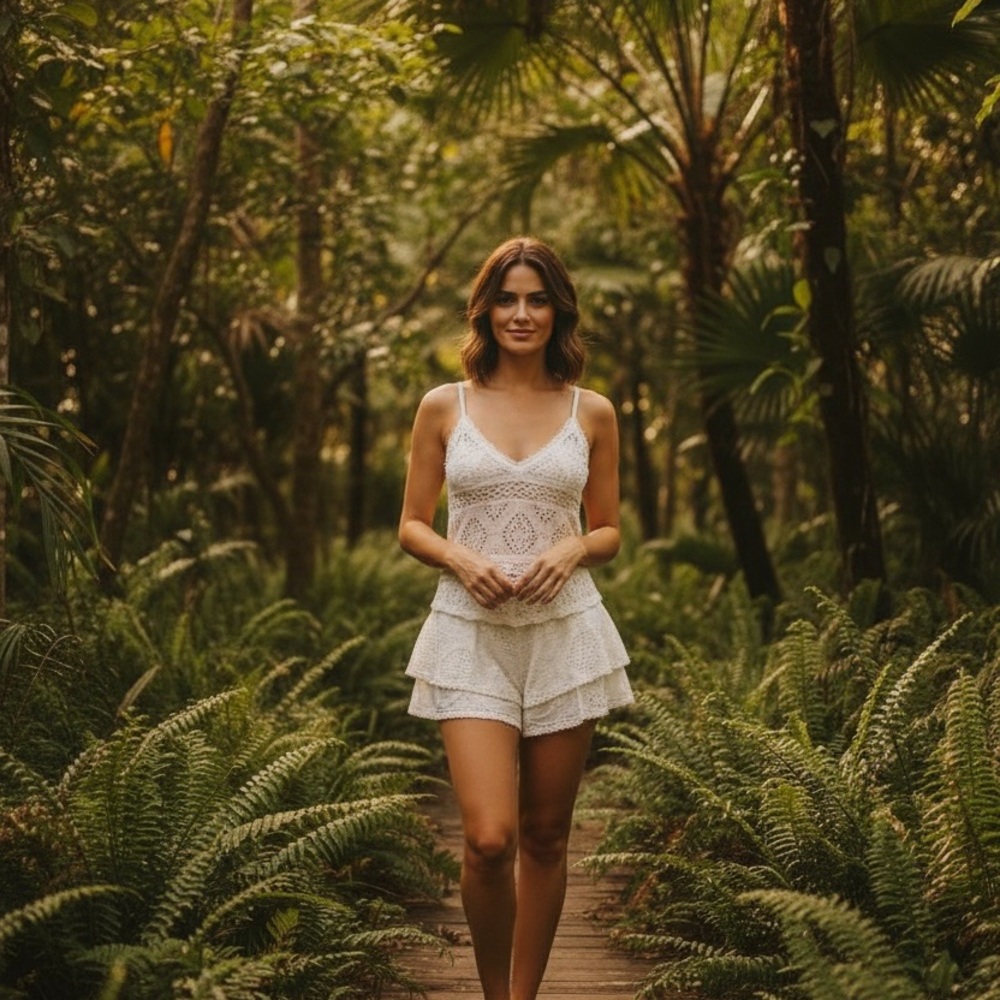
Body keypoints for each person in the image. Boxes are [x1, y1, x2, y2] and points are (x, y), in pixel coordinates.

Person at [398, 236, 633, 1000]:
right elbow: (412, 523)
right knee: (489, 838)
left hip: (566, 634)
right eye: (507, 298)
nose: (521, 313)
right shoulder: (444, 405)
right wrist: (458, 559)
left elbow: (608, 528)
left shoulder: (591, 412)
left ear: (558, 309)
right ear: (485, 308)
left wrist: (573, 550)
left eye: (536, 299)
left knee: (543, 835)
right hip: (469, 635)